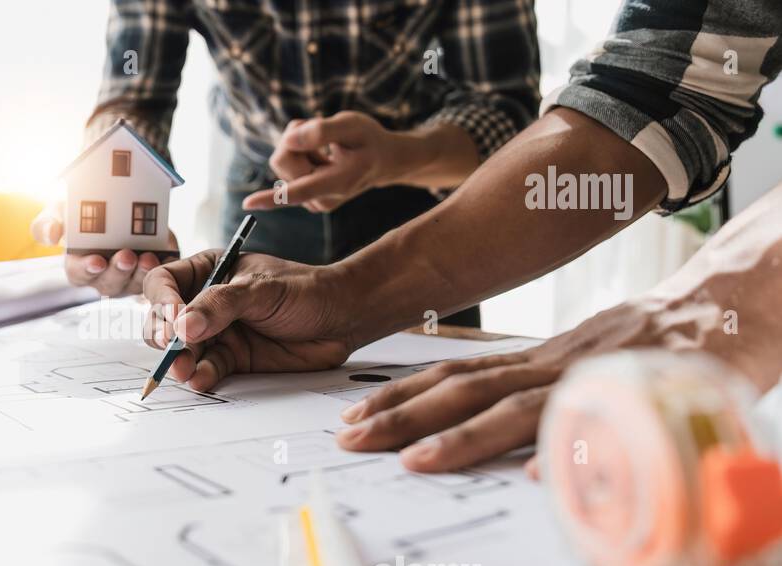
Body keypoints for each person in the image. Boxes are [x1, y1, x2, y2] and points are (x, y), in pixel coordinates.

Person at [141, 0, 782, 471]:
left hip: (424, 190)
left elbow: (510, 107)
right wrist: (346, 299)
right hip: (265, 190)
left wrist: (733, 302)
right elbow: (662, 86)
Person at [32, 0, 541, 333]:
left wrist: (397, 155)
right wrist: (103, 187)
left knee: (419, 395)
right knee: (245, 394)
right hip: (260, 201)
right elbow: (136, 93)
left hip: (421, 198)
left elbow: (504, 109)